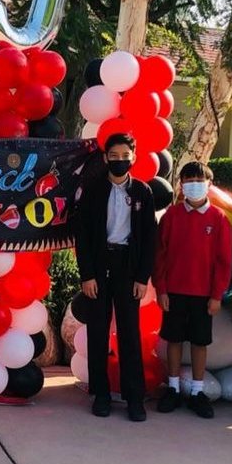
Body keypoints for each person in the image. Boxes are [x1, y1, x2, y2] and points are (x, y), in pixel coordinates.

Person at [74, 133, 158, 421]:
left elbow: (149, 239)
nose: (120, 161)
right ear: (106, 157)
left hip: (128, 267)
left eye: (126, 156)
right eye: (114, 156)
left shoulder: (143, 193)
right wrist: (87, 275)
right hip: (98, 266)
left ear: (133, 157)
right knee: (98, 331)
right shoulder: (93, 189)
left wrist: (142, 277)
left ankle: (134, 397)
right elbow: (82, 235)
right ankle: (101, 394)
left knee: (129, 333)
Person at [154, 161, 232, 419]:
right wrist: (161, 289)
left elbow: (224, 262)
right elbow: (161, 256)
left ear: (209, 185)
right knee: (174, 340)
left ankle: (198, 391)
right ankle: (174, 388)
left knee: (200, 342)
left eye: (199, 181)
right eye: (188, 181)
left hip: (204, 295)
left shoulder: (218, 219)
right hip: (174, 291)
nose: (194, 186)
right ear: (181, 185)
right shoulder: (171, 216)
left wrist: (216, 295)